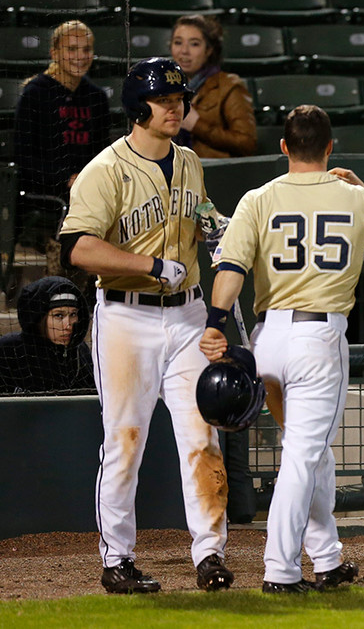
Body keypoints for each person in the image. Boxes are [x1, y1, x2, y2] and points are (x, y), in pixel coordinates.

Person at [199, 104, 364, 593]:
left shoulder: (257, 198)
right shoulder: (356, 197)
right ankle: (281, 569)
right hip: (318, 338)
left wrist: (216, 324)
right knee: (303, 457)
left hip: (269, 339)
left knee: (312, 454)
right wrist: (362, 189)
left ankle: (327, 558)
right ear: (330, 147)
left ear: (284, 147)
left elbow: (231, 269)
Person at [58, 57, 232, 594]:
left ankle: (210, 555)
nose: (175, 109)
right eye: (164, 101)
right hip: (126, 317)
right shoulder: (105, 169)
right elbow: (78, 248)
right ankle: (117, 560)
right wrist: (150, 265)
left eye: (179, 100)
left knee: (202, 437)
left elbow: (199, 213)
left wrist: (213, 226)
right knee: (124, 441)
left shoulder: (189, 160)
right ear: (138, 107)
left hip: (188, 314)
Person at [14, 19, 111, 252]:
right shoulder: (35, 93)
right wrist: (66, 178)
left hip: (88, 189)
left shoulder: (96, 97)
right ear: (54, 53)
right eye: (72, 49)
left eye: (86, 49)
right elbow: (24, 157)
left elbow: (103, 153)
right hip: (46, 191)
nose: (80, 56)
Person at [170, 14, 257, 159]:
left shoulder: (229, 87)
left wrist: (196, 125)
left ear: (209, 50)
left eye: (194, 44)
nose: (184, 51)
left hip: (212, 170)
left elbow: (247, 143)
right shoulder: (165, 87)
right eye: (178, 42)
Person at [0, 276, 93, 395]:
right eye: (58, 315)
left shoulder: (80, 352)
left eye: (73, 314)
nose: (68, 325)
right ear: (39, 318)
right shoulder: (9, 350)